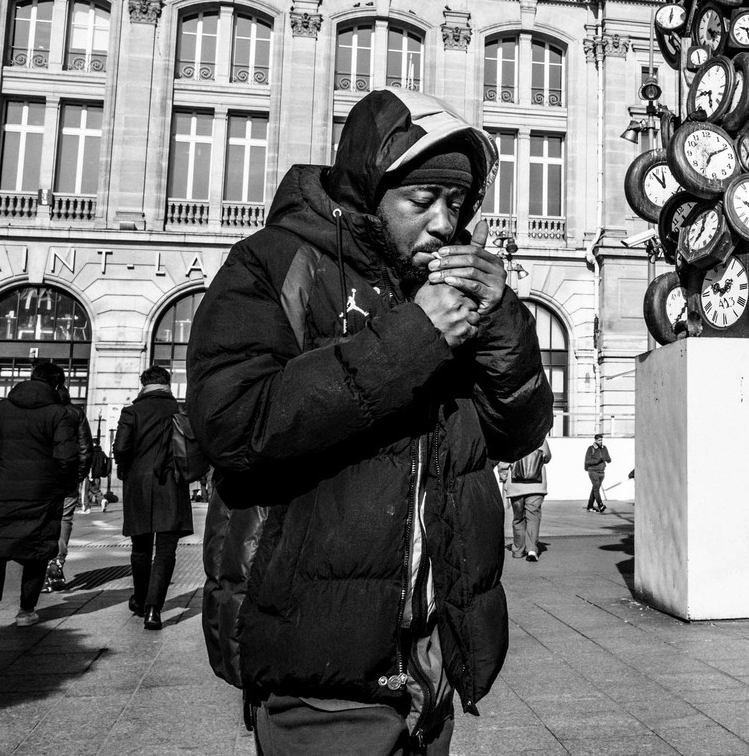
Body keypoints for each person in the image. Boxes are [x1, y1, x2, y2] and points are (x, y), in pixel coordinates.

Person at [189, 87, 553, 756]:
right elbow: (234, 425)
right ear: (370, 190)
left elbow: (519, 428)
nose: (445, 222)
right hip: (322, 680)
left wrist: (503, 317)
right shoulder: (275, 263)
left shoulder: (457, 296)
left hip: (431, 671)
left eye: (458, 204)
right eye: (423, 201)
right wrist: (415, 337)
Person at [0, 361, 82, 637]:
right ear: (56, 385)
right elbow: (67, 457)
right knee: (36, 551)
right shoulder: (58, 414)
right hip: (41, 494)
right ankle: (26, 611)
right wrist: (62, 485)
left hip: (1, 492)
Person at [114, 365, 195, 630]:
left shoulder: (131, 412)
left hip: (138, 485)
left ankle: (139, 599)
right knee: (165, 551)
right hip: (171, 484)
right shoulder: (179, 411)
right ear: (167, 384)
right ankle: (153, 609)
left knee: (140, 548)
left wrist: (127, 470)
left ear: (144, 384)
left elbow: (121, 448)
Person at [45, 386, 93, 593]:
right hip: (67, 476)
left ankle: (39, 566)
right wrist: (79, 474)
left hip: (40, 477)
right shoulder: (75, 413)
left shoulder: (41, 412)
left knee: (41, 518)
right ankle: (57, 561)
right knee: (64, 518)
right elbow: (85, 448)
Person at [501, 440, 551, 561]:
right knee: (533, 517)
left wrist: (503, 476)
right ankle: (532, 550)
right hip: (536, 485)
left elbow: (503, 463)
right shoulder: (540, 437)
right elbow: (547, 457)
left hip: (516, 487)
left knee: (518, 518)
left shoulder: (512, 437)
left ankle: (518, 550)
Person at [583, 433, 611, 513]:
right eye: (599, 440)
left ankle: (590, 506)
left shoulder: (604, 448)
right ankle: (600, 505)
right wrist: (597, 460)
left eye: (601, 440)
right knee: (596, 488)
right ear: (595, 440)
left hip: (602, 472)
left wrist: (607, 459)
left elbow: (609, 458)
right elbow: (587, 461)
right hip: (593, 471)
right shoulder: (591, 448)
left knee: (595, 489)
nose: (600, 442)